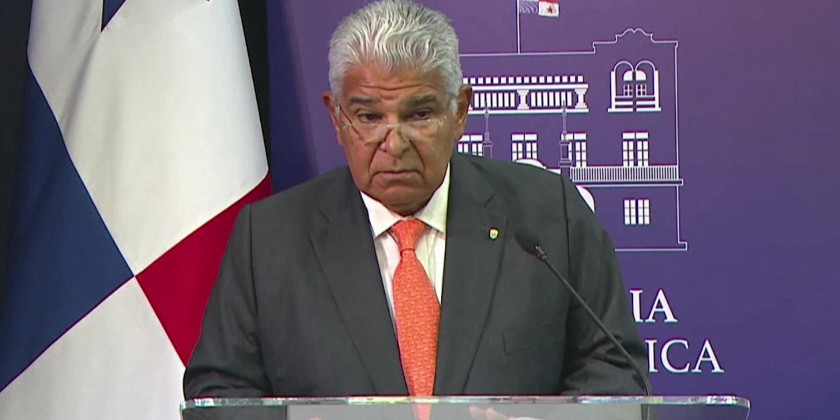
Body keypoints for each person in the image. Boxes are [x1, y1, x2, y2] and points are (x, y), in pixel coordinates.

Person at [184, 0, 646, 401]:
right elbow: (221, 392)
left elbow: (615, 370)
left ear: (459, 111)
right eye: (369, 117)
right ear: (337, 117)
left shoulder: (549, 217)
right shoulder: (269, 240)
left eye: (420, 114)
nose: (394, 142)